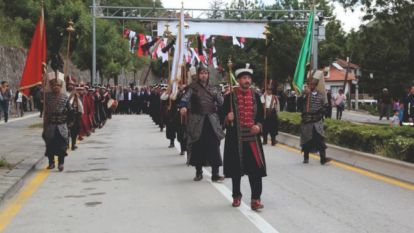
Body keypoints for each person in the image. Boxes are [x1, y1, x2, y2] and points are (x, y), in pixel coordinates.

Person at [222, 63, 266, 211]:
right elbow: (220, 115)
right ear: (238, 80)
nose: (247, 81)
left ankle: (255, 199)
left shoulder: (256, 96)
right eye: (244, 78)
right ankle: (236, 196)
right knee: (236, 170)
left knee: (256, 171)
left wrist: (258, 126)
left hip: (252, 140)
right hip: (236, 139)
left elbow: (261, 117)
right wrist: (227, 118)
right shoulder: (229, 97)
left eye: (249, 78)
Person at [179, 65, 225, 182]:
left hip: (211, 121)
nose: (204, 75)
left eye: (206, 73)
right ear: (198, 75)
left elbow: (221, 103)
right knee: (198, 146)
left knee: (214, 146)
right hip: (197, 121)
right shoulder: (192, 88)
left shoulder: (213, 88)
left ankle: (215, 173)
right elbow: (184, 99)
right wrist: (183, 107)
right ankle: (198, 172)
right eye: (202, 73)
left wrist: (225, 97)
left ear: (208, 75)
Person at [42, 74, 73, 172]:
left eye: (58, 85)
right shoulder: (47, 96)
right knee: (50, 145)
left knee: (62, 147)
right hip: (51, 125)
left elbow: (70, 110)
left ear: (61, 87)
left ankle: (61, 163)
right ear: (51, 87)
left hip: (61, 125)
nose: (56, 87)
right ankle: (51, 163)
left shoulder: (65, 97)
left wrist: (70, 120)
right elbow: (41, 101)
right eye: (54, 85)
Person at [301, 71, 332, 165]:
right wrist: (305, 95)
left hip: (317, 121)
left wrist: (323, 110)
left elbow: (325, 106)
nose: (312, 86)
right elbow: (300, 103)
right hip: (307, 121)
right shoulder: (306, 94)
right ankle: (306, 157)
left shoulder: (320, 95)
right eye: (311, 84)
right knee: (307, 140)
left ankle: (323, 158)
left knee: (320, 140)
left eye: (314, 84)